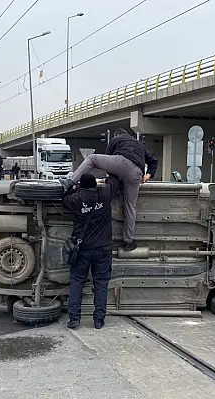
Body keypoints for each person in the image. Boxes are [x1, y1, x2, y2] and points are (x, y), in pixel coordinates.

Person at [59, 128, 158, 251]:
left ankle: (70, 182)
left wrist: (113, 180)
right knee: (131, 206)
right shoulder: (138, 144)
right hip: (137, 173)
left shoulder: (115, 140)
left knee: (92, 159)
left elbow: (108, 161)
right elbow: (153, 161)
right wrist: (148, 175)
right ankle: (128, 241)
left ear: (116, 136)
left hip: (123, 163)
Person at [62, 173, 121, 330]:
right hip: (103, 248)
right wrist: (106, 179)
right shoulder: (104, 194)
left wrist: (73, 187)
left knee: (77, 282)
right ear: (95, 185)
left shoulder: (76, 200)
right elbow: (115, 181)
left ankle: (74, 319)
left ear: (82, 186)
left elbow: (65, 194)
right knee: (101, 284)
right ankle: (99, 321)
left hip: (82, 249)